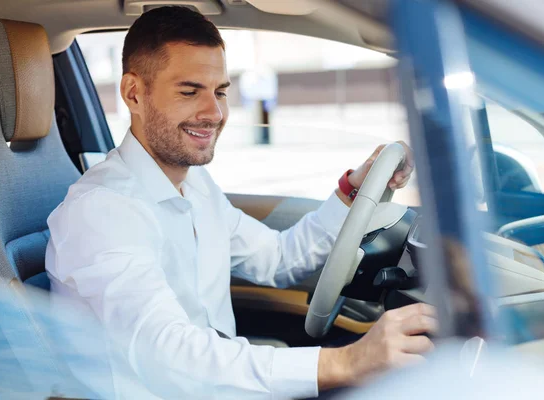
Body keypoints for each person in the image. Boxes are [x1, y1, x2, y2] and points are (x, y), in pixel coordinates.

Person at [45, 6, 436, 399]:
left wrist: (354, 187)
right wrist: (346, 363)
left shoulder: (196, 185)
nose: (214, 113)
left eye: (220, 92)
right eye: (189, 91)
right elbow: (167, 357)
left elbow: (279, 259)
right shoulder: (100, 212)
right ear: (133, 93)